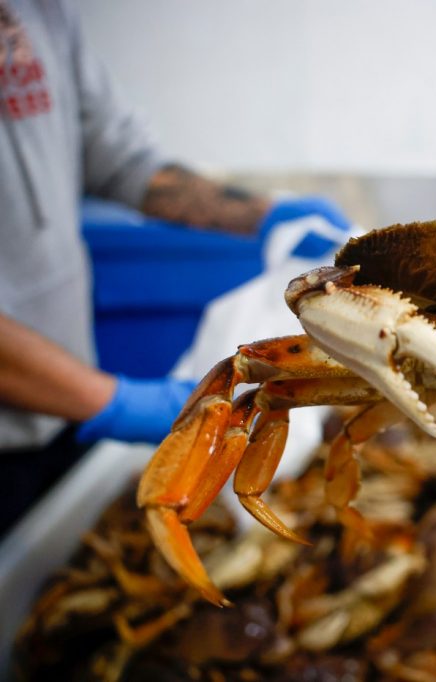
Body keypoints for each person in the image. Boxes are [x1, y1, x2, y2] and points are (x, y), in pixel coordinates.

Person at [0, 0, 347, 536]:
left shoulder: (45, 14)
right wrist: (113, 403)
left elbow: (125, 163)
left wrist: (267, 215)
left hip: (62, 415)